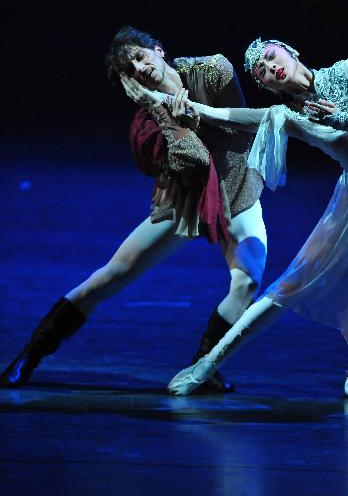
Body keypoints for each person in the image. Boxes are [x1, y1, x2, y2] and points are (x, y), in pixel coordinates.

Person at [145, 37, 348, 403]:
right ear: (267, 86)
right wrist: (173, 103)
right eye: (261, 72)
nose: (269, 67)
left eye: (270, 57)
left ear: (291, 52)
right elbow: (234, 117)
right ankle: (206, 365)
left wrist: (339, 117)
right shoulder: (288, 117)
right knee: (294, 279)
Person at [0, 27, 267, 393]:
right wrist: (159, 107)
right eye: (131, 70)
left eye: (141, 57)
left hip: (237, 192)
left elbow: (241, 131)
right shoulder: (146, 125)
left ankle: (203, 367)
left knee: (247, 279)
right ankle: (28, 356)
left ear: (158, 50)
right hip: (185, 201)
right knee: (112, 275)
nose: (141, 68)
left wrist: (189, 112)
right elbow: (195, 160)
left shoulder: (213, 71)